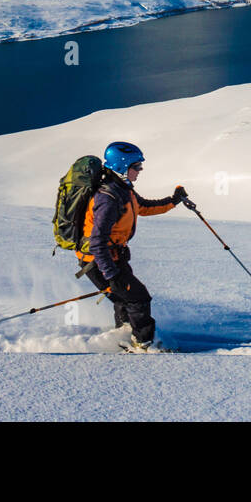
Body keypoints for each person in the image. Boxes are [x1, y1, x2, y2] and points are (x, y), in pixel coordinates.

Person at [77, 141, 186, 351]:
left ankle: (125, 333)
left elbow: (144, 207)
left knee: (124, 298)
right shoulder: (107, 198)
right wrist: (111, 274)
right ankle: (144, 344)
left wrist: (174, 201)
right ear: (121, 166)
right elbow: (98, 241)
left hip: (115, 257)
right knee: (138, 298)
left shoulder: (123, 191)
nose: (140, 171)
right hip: (99, 262)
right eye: (136, 166)